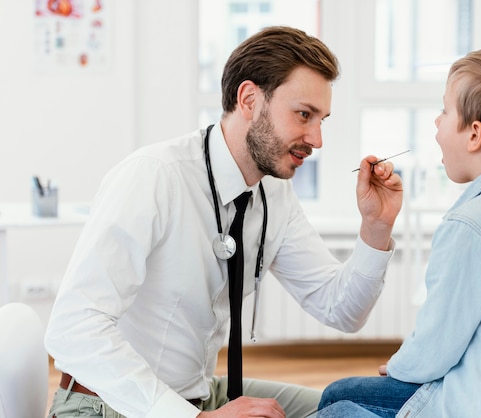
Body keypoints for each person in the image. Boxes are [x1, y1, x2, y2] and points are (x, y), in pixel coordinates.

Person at [44, 26, 403, 418]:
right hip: (108, 404)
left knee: (349, 407)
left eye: (322, 120)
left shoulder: (273, 194)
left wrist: (376, 228)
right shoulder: (155, 176)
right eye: (304, 115)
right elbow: (73, 328)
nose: (317, 139)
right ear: (249, 98)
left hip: (198, 394)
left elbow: (342, 311)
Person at [316, 49, 481, 417]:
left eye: (445, 111)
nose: (436, 122)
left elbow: (437, 341)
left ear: (475, 134)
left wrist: (401, 368)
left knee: (336, 410)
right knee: (338, 394)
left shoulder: (470, 225)